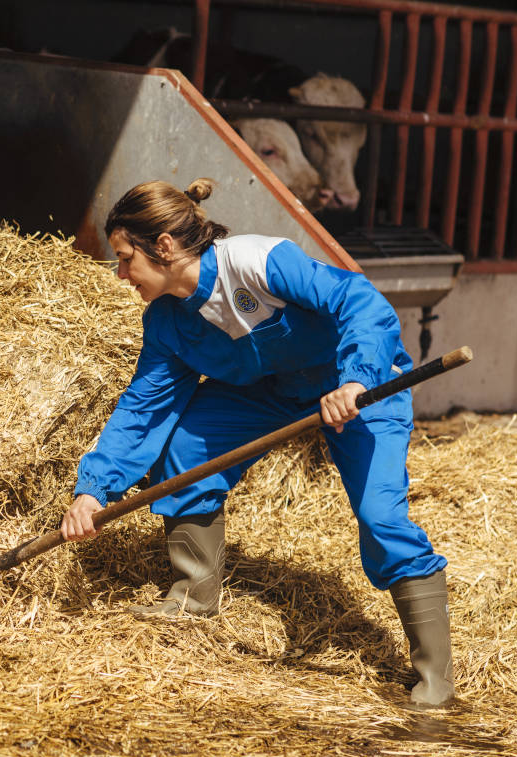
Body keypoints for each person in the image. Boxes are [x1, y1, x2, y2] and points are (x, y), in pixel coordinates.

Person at [60, 178, 453, 708]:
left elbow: (360, 301)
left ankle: (434, 677)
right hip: (268, 393)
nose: (122, 273)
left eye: (127, 258)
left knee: (381, 515)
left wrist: (356, 379)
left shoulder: (256, 262)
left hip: (359, 384)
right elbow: (143, 407)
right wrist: (94, 490)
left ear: (166, 248)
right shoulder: (167, 321)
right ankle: (193, 598)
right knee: (186, 452)